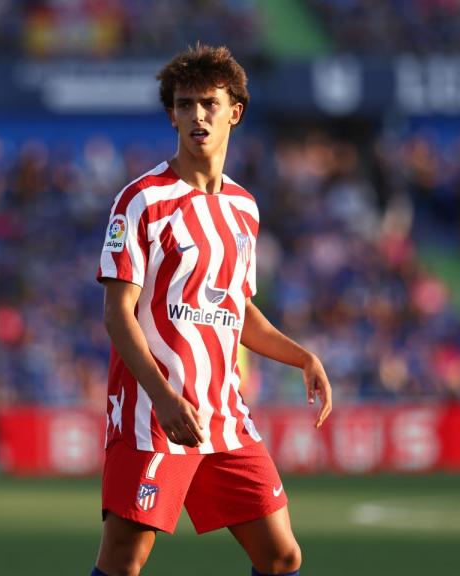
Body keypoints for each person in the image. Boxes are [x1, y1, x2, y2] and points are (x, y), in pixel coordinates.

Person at [93, 44, 333, 576]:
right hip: (152, 415)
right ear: (171, 114)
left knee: (281, 555)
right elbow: (117, 313)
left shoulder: (244, 208)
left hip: (223, 416)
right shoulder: (142, 200)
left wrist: (302, 357)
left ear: (234, 112)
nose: (197, 115)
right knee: (125, 560)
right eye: (184, 105)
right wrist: (164, 398)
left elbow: (238, 309)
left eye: (208, 103)